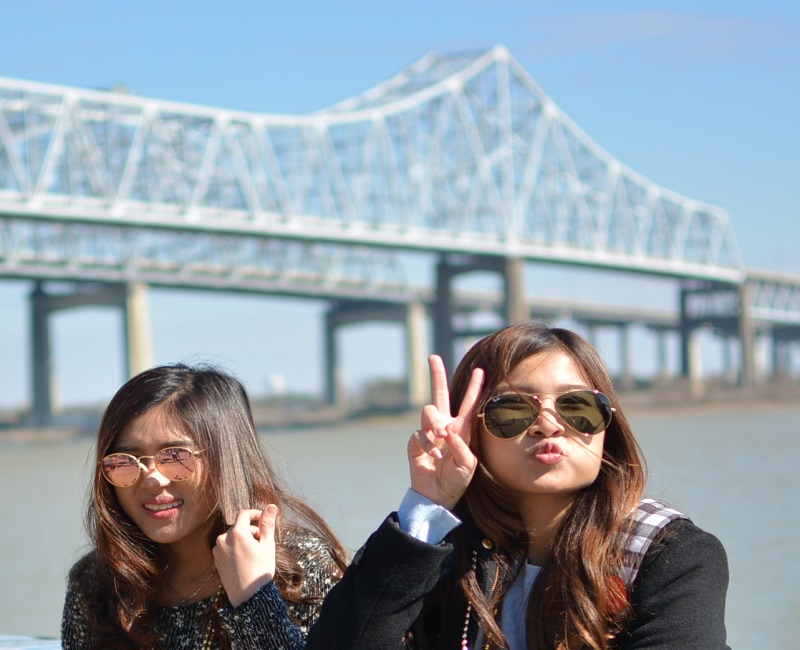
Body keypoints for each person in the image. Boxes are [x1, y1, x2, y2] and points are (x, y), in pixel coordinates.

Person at [307, 321, 730, 649]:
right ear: (471, 431)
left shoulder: (666, 554)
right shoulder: (440, 553)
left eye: (578, 406)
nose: (549, 424)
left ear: (608, 427)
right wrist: (427, 504)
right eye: (512, 410)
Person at [61, 363, 347, 649]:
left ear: (227, 459)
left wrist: (254, 597)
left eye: (175, 456)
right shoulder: (96, 582)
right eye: (125, 461)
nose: (151, 480)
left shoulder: (302, 566)